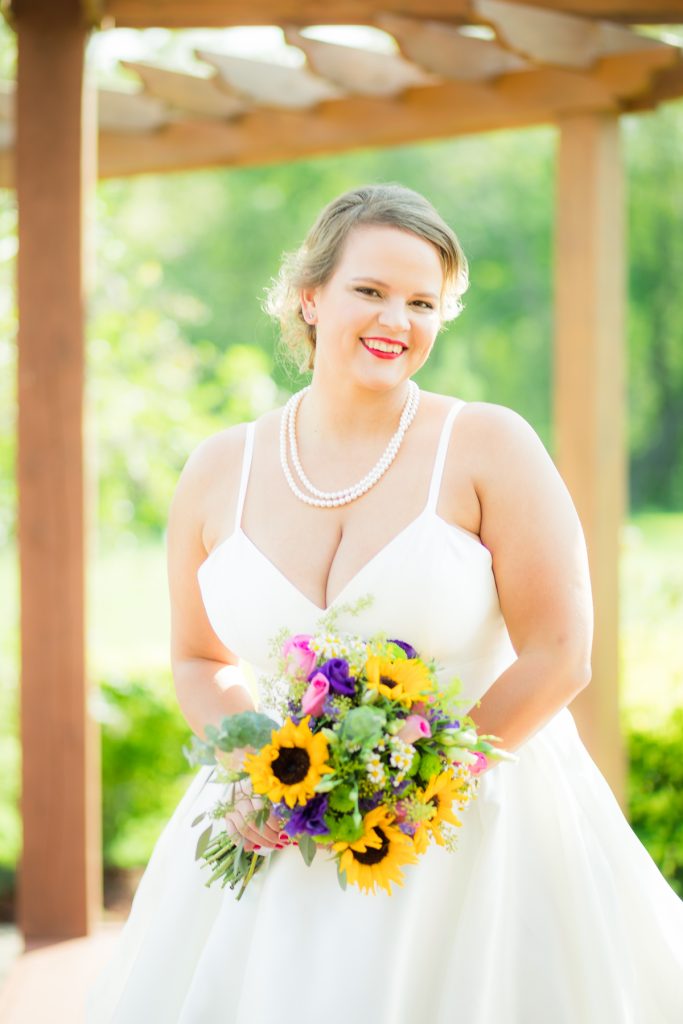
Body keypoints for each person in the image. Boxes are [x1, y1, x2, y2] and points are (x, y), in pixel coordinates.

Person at [86, 184, 683, 1022]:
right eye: (369, 291)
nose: (394, 320)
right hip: (279, 830)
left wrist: (419, 789)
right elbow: (198, 658)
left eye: (422, 302)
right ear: (310, 295)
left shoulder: (488, 445)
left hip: (479, 835)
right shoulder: (219, 469)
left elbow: (559, 651)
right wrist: (252, 767)